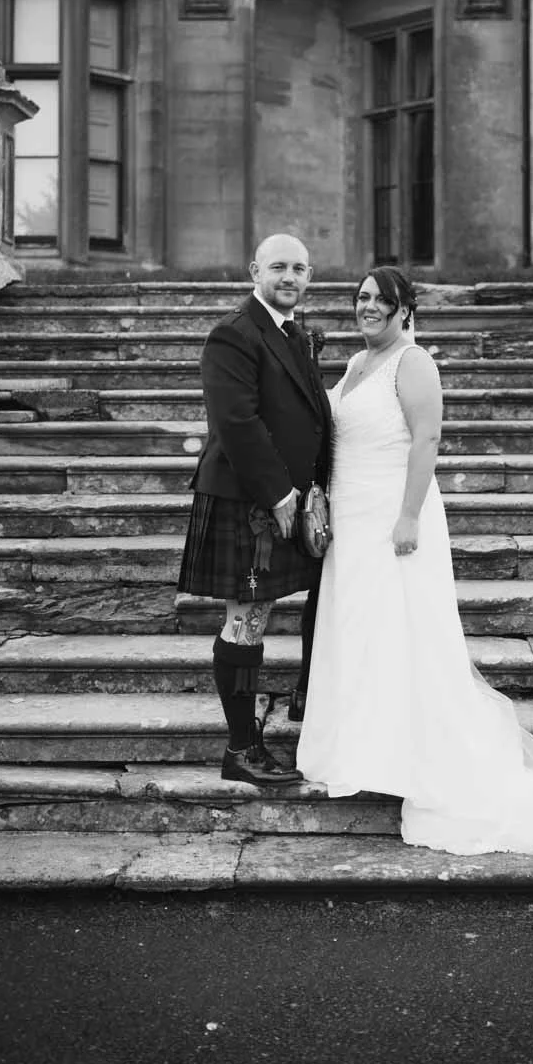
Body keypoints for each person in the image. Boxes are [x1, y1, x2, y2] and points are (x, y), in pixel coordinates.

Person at [296, 266, 533, 859]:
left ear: (404, 310)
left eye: (381, 300)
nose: (368, 307)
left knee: (407, 637)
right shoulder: (357, 363)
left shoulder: (413, 362)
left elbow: (427, 440)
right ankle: (364, 752)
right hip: (352, 523)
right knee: (362, 634)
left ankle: (419, 761)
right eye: (361, 298)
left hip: (394, 518)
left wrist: (408, 516)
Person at [177, 233, 331, 786]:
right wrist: (280, 494)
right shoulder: (234, 334)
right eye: (278, 267)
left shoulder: (293, 333)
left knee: (264, 617)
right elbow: (236, 423)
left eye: (300, 268)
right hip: (248, 502)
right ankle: (241, 749)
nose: (289, 277)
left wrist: (317, 491)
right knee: (245, 622)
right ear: (254, 271)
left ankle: (297, 707)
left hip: (286, 500)